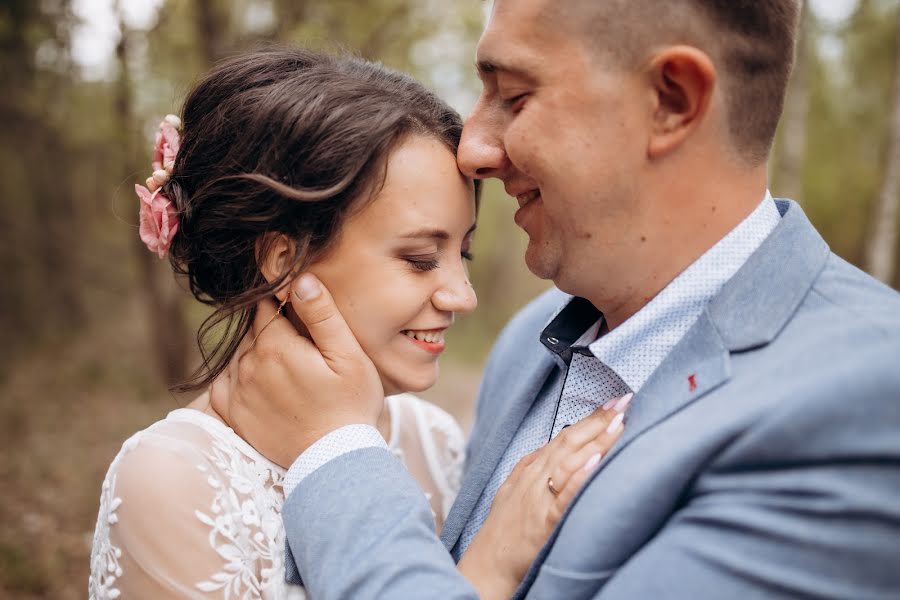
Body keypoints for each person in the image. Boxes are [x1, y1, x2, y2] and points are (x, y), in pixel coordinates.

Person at [212, 1, 900, 599]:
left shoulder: (864, 404)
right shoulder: (527, 341)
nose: (473, 148)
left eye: (513, 96)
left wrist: (335, 453)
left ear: (671, 99)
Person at [88, 48, 628, 600]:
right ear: (282, 261)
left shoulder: (429, 437)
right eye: (420, 259)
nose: (462, 296)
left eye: (461, 255)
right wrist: (486, 573)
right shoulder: (170, 479)